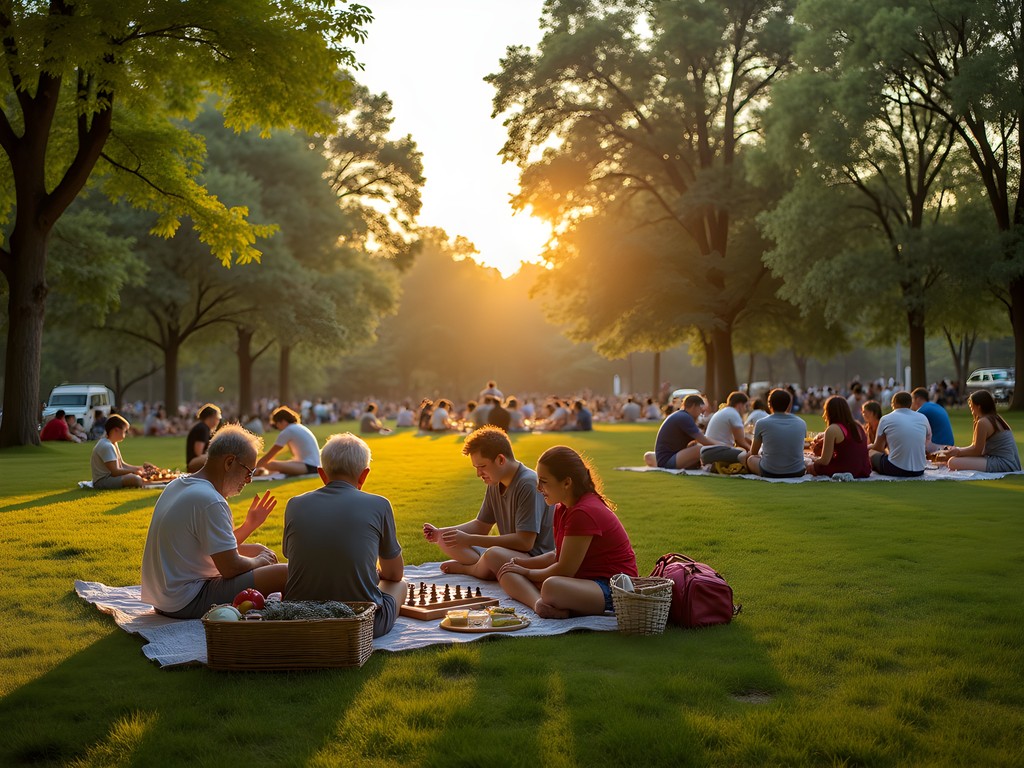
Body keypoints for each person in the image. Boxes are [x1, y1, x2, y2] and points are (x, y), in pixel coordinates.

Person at [141, 424, 287, 618]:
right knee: (285, 573)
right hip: (187, 600)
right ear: (229, 462)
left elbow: (216, 548)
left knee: (260, 549)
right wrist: (258, 562)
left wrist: (249, 526)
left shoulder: (177, 485)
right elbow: (230, 567)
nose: (249, 480)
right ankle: (294, 617)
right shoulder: (210, 500)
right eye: (248, 472)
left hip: (165, 599)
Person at [283, 433, 406, 638]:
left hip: (298, 618)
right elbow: (394, 574)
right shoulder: (379, 504)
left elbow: (292, 557)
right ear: (364, 475)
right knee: (400, 585)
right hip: (361, 623)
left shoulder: (294, 504)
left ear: (322, 474)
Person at [494, 446, 638, 618]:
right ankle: (540, 604)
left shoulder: (583, 512)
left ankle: (550, 601)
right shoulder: (562, 508)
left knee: (551, 586)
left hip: (612, 588)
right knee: (507, 572)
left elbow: (565, 569)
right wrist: (521, 564)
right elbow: (558, 555)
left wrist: (527, 573)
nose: (539, 488)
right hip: (582, 582)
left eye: (544, 481)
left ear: (567, 483)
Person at [422, 426, 554, 579]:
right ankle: (485, 567)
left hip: (534, 560)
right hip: (508, 554)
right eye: (476, 468)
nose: (479, 474)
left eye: (482, 467)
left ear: (500, 459)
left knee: (492, 555)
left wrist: (469, 539)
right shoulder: (495, 482)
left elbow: (525, 543)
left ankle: (471, 569)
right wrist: (441, 533)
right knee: (446, 540)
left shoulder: (528, 483)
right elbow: (481, 525)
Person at [946, 390, 1021, 472]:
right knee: (954, 458)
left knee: (952, 462)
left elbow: (977, 451)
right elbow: (976, 447)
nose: (971, 410)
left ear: (978, 407)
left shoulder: (983, 422)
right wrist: (958, 450)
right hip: (1009, 462)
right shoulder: (995, 418)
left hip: (1003, 463)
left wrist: (958, 452)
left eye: (971, 406)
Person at [744, 388, 807, 478]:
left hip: (769, 472)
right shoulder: (801, 423)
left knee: (751, 459)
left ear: (769, 404)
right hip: (797, 471)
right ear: (789, 405)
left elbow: (753, 452)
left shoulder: (762, 423)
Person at [643, 394, 716, 469]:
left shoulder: (682, 415)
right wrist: (722, 445)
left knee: (697, 448)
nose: (701, 412)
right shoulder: (685, 417)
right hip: (668, 461)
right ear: (694, 406)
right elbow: (704, 440)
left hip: (665, 459)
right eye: (700, 408)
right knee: (700, 449)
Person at [808, 396, 872, 478]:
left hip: (845, 469)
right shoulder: (858, 425)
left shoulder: (833, 429)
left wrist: (812, 460)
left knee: (809, 466)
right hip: (864, 470)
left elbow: (825, 461)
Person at [869, 391, 930, 478]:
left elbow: (878, 448)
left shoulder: (886, 419)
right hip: (919, 470)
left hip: (896, 468)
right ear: (910, 404)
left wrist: (868, 447)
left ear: (893, 404)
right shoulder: (923, 418)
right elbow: (928, 439)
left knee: (871, 453)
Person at [91, 414, 153, 489]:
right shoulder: (107, 446)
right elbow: (115, 472)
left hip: (110, 478)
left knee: (138, 476)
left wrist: (139, 468)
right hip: (103, 481)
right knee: (136, 479)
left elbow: (122, 465)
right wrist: (133, 472)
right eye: (125, 431)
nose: (126, 434)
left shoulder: (113, 443)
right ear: (116, 430)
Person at [256, 405, 321, 476]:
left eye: (276, 424)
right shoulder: (298, 427)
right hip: (313, 465)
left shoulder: (288, 430)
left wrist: (255, 466)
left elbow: (271, 454)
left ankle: (257, 472)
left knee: (269, 464)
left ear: (283, 421)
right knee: (272, 463)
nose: (277, 427)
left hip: (309, 466)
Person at [700, 391, 751, 466]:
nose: (745, 410)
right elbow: (740, 441)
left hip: (706, 453)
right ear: (740, 405)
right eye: (745, 406)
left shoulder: (724, 411)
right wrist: (753, 451)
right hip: (715, 451)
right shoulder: (734, 414)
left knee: (743, 452)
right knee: (748, 455)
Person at [911, 387, 955, 452]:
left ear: (917, 399)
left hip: (938, 445)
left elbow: (910, 427)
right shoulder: (935, 406)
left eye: (912, 400)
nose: (911, 404)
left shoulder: (922, 410)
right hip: (949, 444)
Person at [186, 403, 222, 473]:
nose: (218, 421)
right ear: (210, 418)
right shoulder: (202, 429)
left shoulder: (203, 428)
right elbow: (198, 452)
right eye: (217, 418)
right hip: (193, 462)